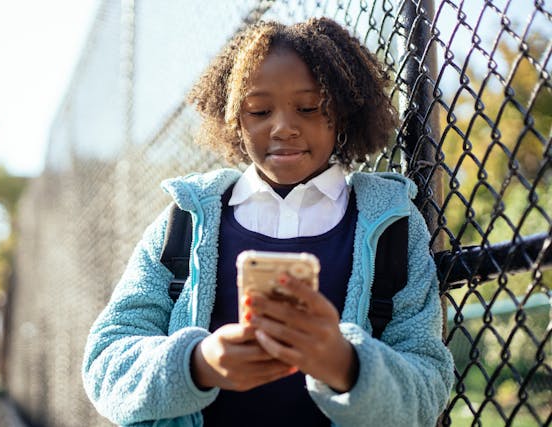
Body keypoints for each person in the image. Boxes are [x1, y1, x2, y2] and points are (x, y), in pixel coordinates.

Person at [82, 17, 454, 427]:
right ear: (233, 120)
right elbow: (104, 362)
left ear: (344, 113)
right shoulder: (183, 223)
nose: (283, 127)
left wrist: (347, 365)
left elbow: (428, 383)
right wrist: (197, 364)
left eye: (309, 108)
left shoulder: (393, 228)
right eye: (258, 110)